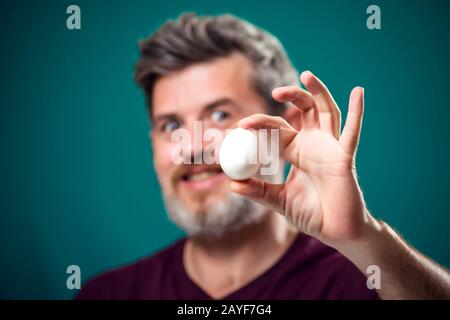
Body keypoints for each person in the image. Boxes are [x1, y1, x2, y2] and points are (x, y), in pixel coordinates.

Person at [76, 13, 450, 300]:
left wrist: (362, 238)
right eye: (171, 125)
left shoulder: (368, 281)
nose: (191, 147)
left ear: (284, 129)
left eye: (220, 115)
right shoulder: (110, 294)